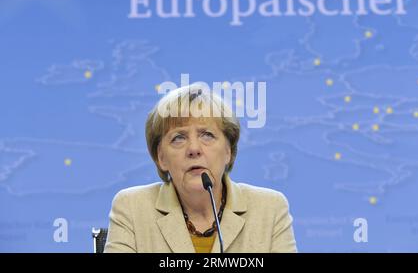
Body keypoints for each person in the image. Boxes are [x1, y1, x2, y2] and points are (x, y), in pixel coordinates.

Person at [104, 84, 297, 253]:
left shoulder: (269, 209)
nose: (194, 149)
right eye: (178, 137)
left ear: (228, 151)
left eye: (207, 135)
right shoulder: (132, 208)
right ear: (161, 158)